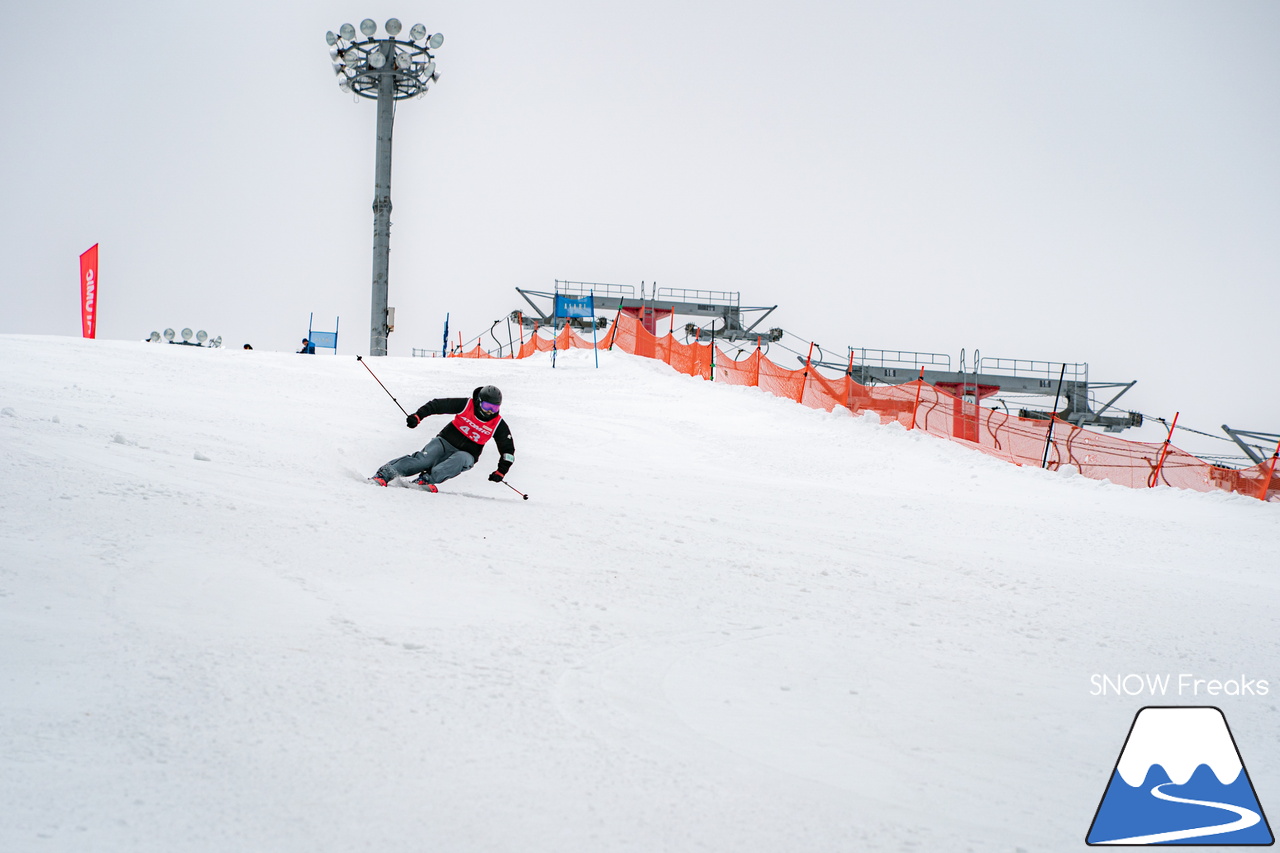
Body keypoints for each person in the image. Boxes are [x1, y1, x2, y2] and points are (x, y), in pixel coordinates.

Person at [370, 385, 515, 493]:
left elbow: (508, 451)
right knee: (423, 460)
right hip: (445, 442)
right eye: (487, 406)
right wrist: (418, 416)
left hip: (468, 453)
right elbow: (437, 405)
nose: (490, 411)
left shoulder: (498, 425)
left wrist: (501, 471)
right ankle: (384, 474)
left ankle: (425, 481)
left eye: (494, 409)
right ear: (479, 401)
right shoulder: (466, 405)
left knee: (460, 460)